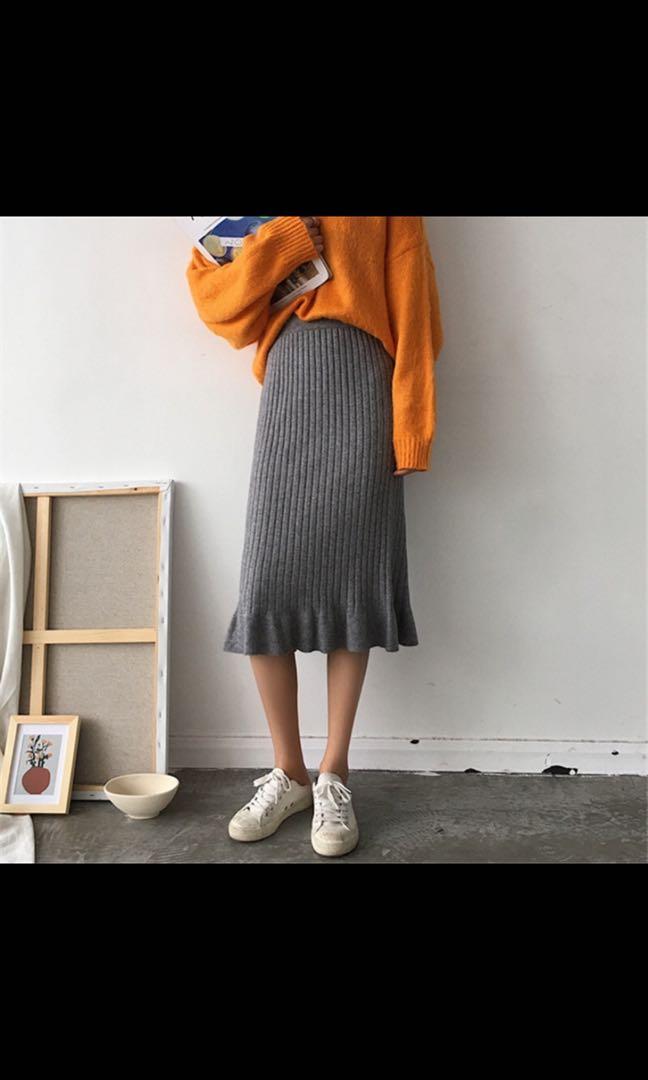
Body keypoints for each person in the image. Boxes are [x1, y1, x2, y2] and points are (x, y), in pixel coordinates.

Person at [185, 216, 444, 857]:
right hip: (290, 380)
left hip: (364, 383)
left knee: (353, 580)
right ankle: (289, 772)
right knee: (265, 587)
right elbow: (216, 305)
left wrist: (411, 427)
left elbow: (416, 313)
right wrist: (284, 243)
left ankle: (334, 772)